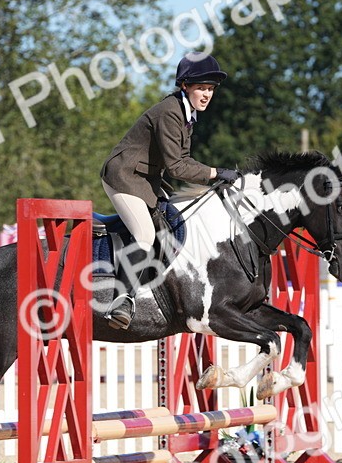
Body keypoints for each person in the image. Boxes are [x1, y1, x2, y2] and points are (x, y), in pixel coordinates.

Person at [99, 52, 239, 330]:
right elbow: (177, 166)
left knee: (172, 225)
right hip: (124, 176)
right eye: (201, 87)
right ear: (185, 85)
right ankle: (121, 300)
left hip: (145, 181)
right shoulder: (170, 112)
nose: (207, 94)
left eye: (210, 89)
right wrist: (215, 173)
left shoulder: (187, 114)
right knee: (145, 233)